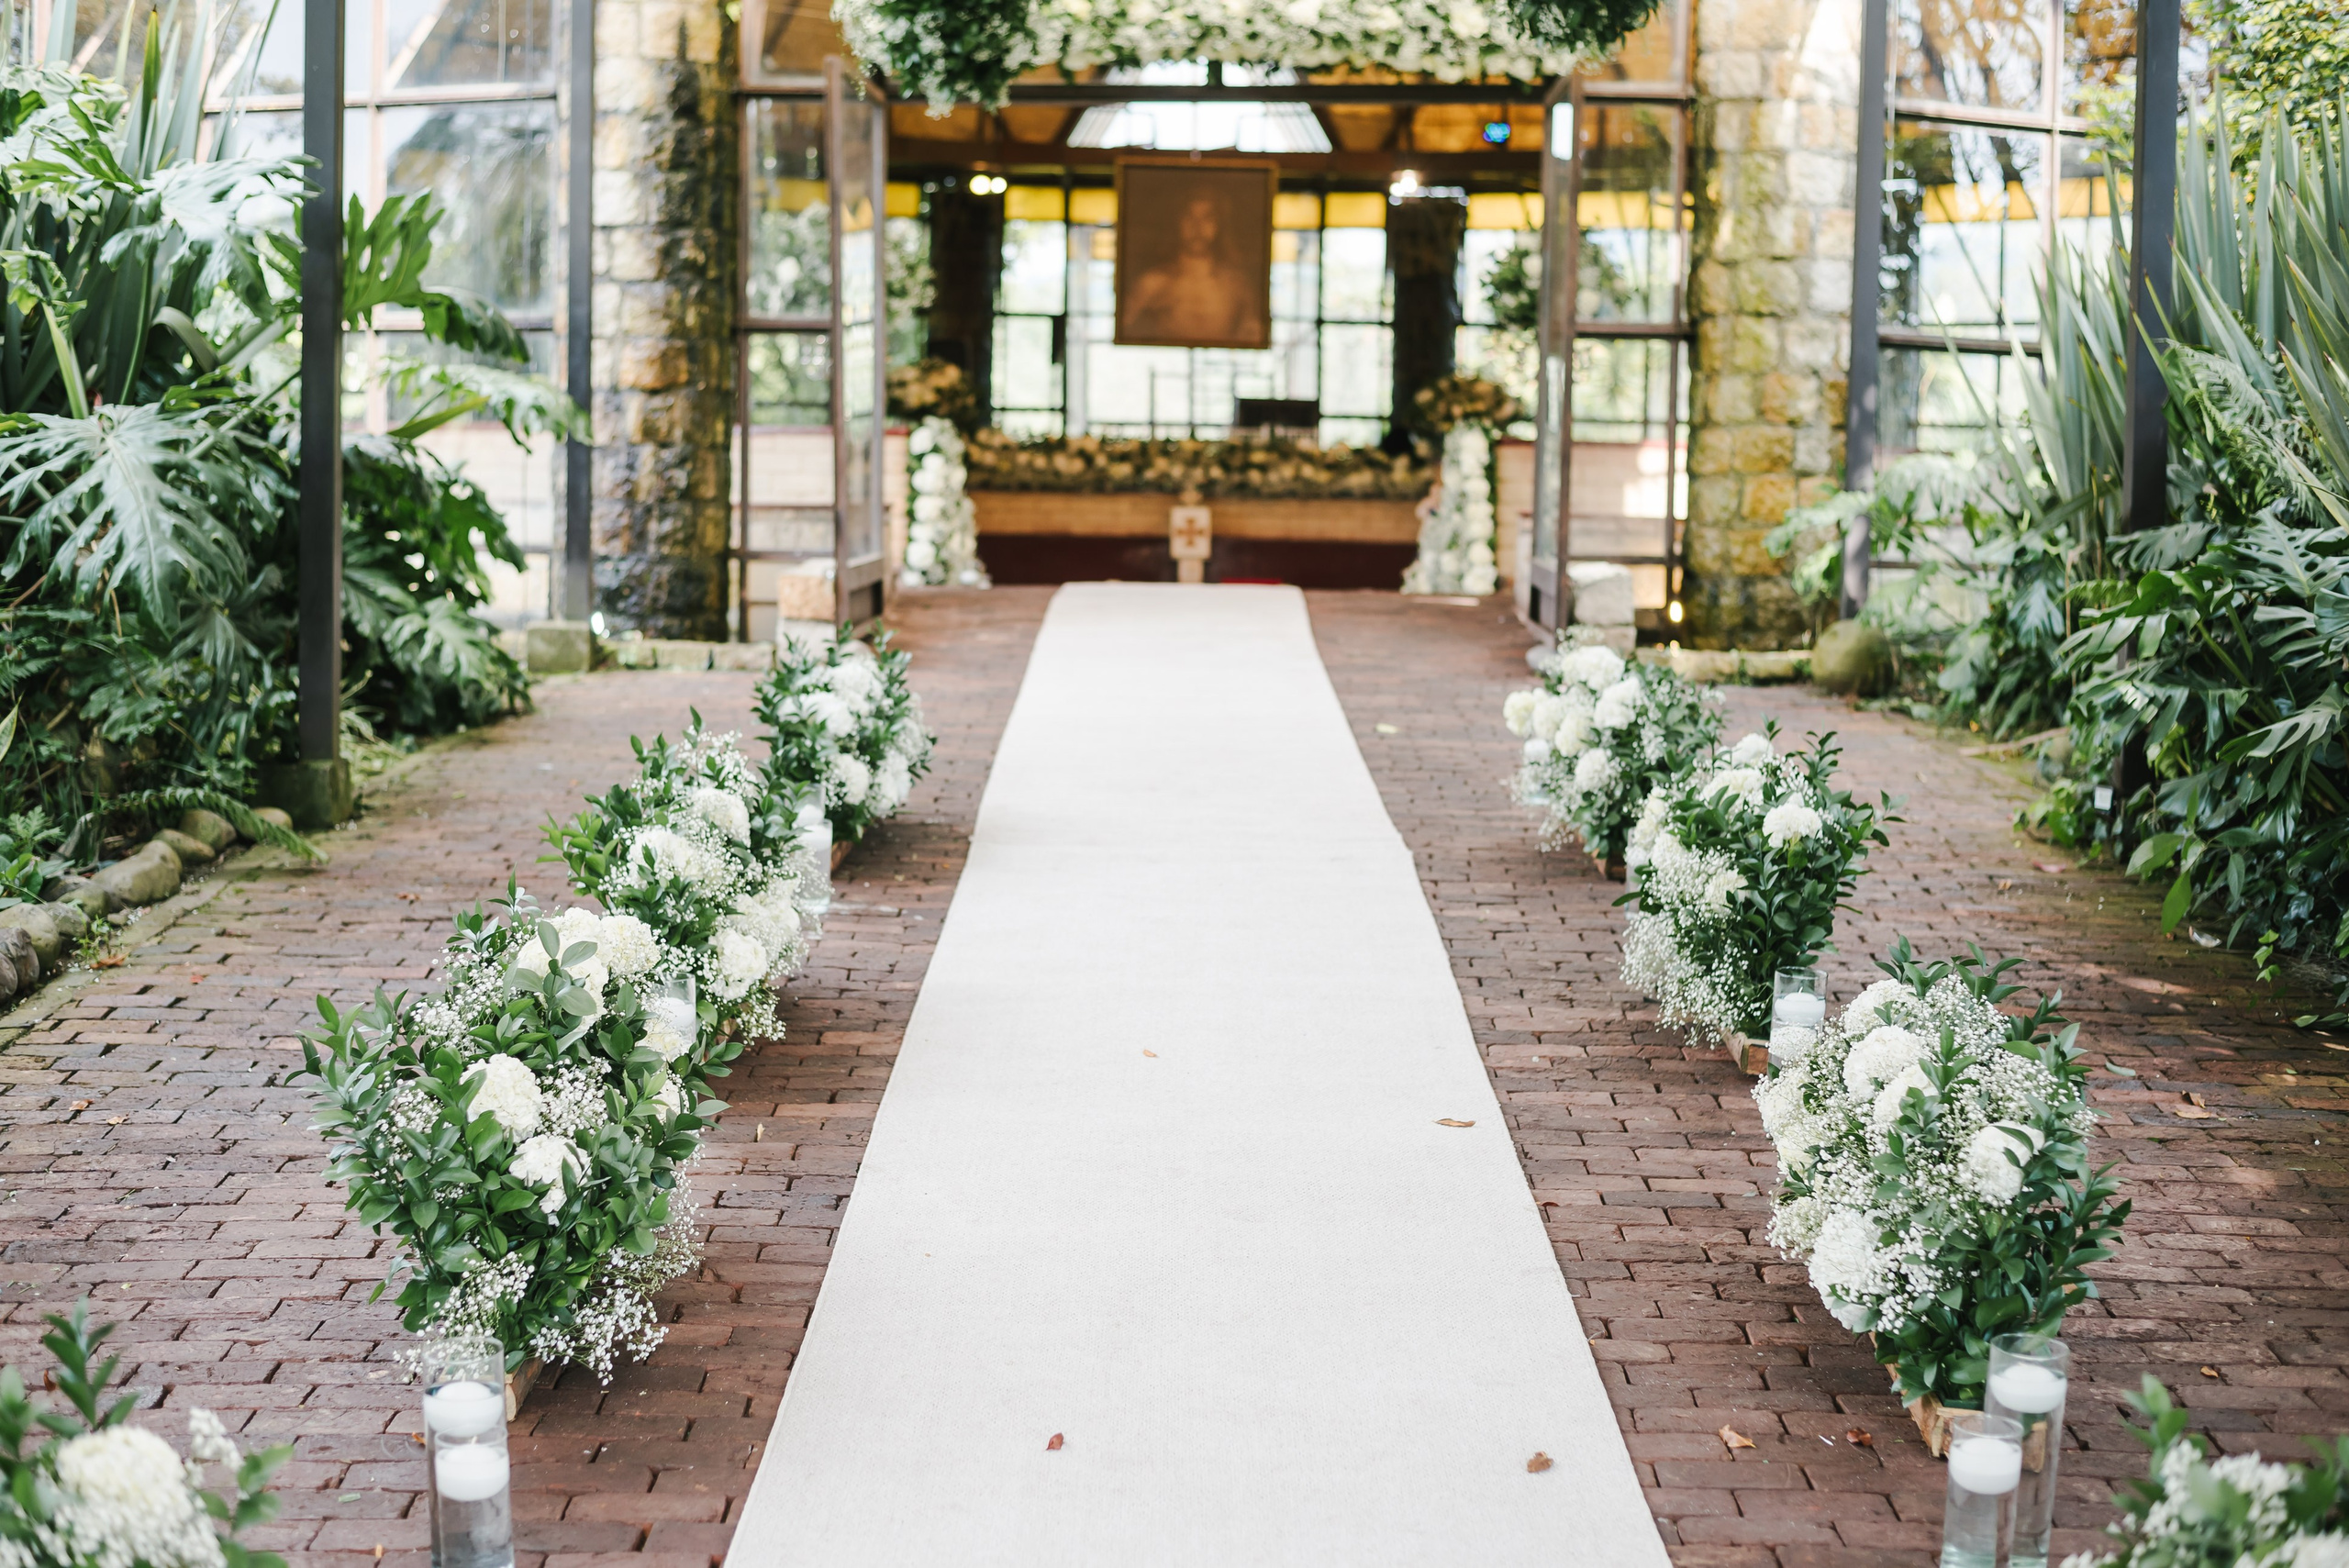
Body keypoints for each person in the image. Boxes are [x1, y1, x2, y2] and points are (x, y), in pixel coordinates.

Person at [1123, 186, 1261, 346]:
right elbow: (1126, 326)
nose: (1198, 227)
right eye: (1189, 217)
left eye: (1207, 218)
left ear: (1219, 225)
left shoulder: (1237, 286)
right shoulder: (1153, 283)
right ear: (1178, 223)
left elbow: (1252, 334)